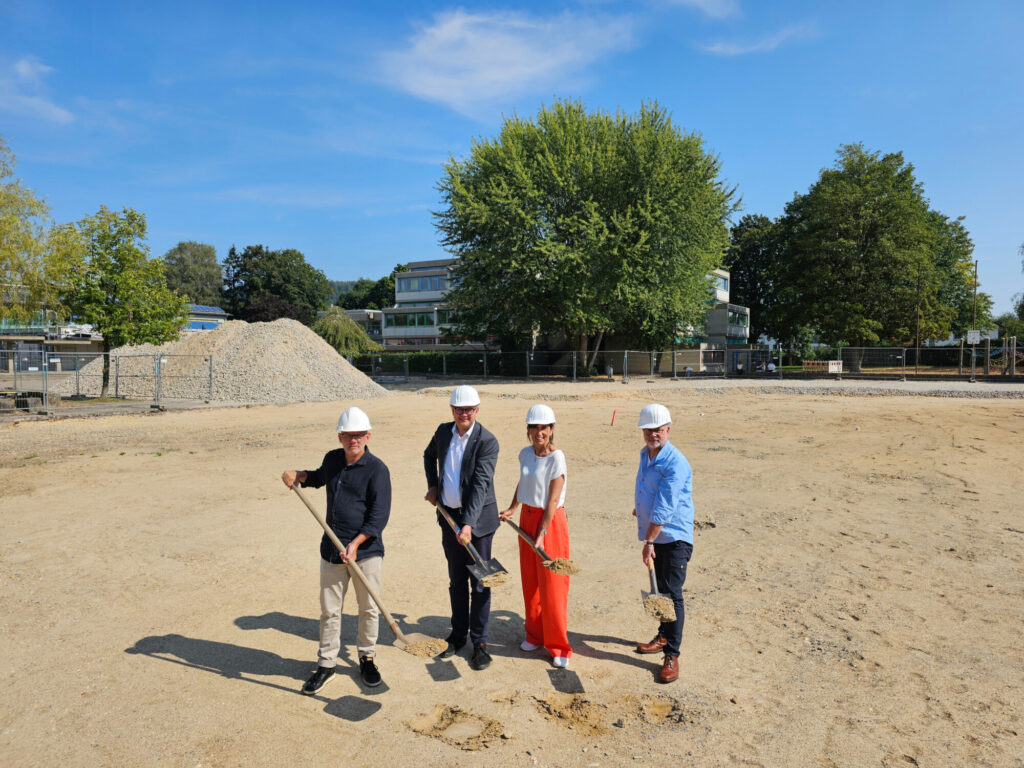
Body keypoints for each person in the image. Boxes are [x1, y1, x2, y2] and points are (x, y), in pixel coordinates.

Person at [281, 406, 391, 694]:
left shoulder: (377, 470)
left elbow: (378, 517)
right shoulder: (333, 459)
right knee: (329, 611)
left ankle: (367, 658)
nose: (352, 440)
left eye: (358, 435)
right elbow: (317, 477)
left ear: (367, 436)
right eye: (347, 435)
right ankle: (327, 663)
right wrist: (298, 474)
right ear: (340, 436)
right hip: (331, 550)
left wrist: (355, 544)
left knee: (368, 609)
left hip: (366, 553)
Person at [423, 385, 500, 670]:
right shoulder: (444, 432)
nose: (463, 414)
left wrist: (467, 524)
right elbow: (428, 455)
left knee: (480, 583)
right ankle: (458, 636)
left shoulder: (487, 442)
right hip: (448, 518)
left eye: (468, 409)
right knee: (457, 581)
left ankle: (479, 643)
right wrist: (433, 485)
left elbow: (480, 485)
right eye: (459, 409)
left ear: (477, 410)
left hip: (478, 523)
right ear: (452, 411)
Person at [499, 404, 572, 668]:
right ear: (528, 430)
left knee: (552, 585)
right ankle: (535, 634)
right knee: (530, 580)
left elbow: (553, 499)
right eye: (534, 427)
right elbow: (524, 482)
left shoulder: (557, 458)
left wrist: (542, 531)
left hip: (549, 522)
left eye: (544, 427)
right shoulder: (524, 454)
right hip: (526, 517)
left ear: (552, 430)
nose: (539, 432)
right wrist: (512, 507)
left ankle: (558, 646)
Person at [632, 403, 694, 684]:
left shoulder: (675, 462)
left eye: (658, 429)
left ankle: (672, 653)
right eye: (649, 430)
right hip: (656, 533)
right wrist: (640, 508)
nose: (653, 434)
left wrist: (649, 540)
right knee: (661, 593)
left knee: (672, 593)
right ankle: (663, 633)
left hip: (673, 536)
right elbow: (649, 491)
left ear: (668, 429)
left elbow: (666, 508)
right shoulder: (646, 454)